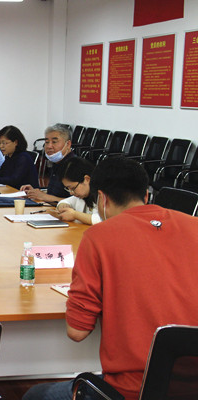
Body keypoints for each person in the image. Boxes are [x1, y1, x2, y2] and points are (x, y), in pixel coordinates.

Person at [23, 157, 198, 400]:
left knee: (36, 395)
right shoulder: (194, 225)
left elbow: (77, 331)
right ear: (146, 195)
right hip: (192, 384)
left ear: (102, 199)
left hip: (134, 389)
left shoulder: (99, 237)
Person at [21, 124, 75, 203]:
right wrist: (34, 193)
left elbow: (77, 203)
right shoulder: (57, 162)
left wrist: (44, 196)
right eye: (47, 142)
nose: (49, 146)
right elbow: (55, 193)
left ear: (68, 144)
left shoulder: (74, 166)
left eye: (54, 142)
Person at [54, 157, 100, 225]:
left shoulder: (105, 195)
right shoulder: (83, 195)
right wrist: (62, 205)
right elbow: (66, 201)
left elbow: (104, 220)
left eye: (73, 188)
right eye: (68, 188)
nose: (71, 192)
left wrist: (75, 215)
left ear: (87, 179)